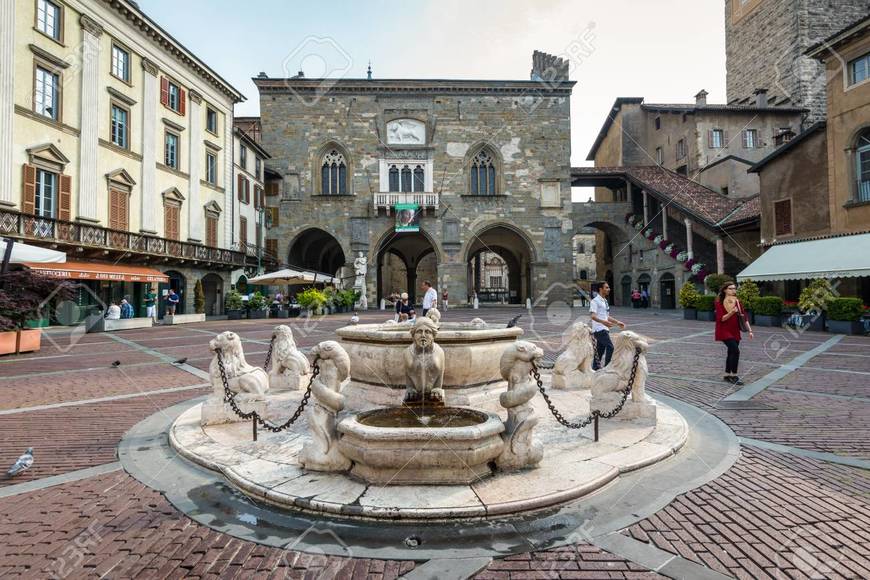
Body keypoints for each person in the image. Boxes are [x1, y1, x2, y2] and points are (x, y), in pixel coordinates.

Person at [715, 281, 753, 385]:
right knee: (736, 351)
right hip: (724, 330)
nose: (733, 290)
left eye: (734, 288)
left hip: (735, 330)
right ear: (725, 290)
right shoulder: (719, 302)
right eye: (731, 288)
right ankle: (734, 376)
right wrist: (731, 312)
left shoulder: (737, 302)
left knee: (731, 352)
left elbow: (744, 317)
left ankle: (727, 374)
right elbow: (721, 319)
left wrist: (750, 330)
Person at [588, 282, 626, 370]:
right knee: (610, 347)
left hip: (604, 328)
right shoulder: (595, 301)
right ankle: (607, 368)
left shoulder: (605, 301)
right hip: (599, 329)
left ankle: (595, 369)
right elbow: (593, 316)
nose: (609, 289)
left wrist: (617, 322)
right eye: (606, 287)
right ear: (601, 289)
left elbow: (606, 316)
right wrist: (604, 322)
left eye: (608, 287)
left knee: (600, 351)